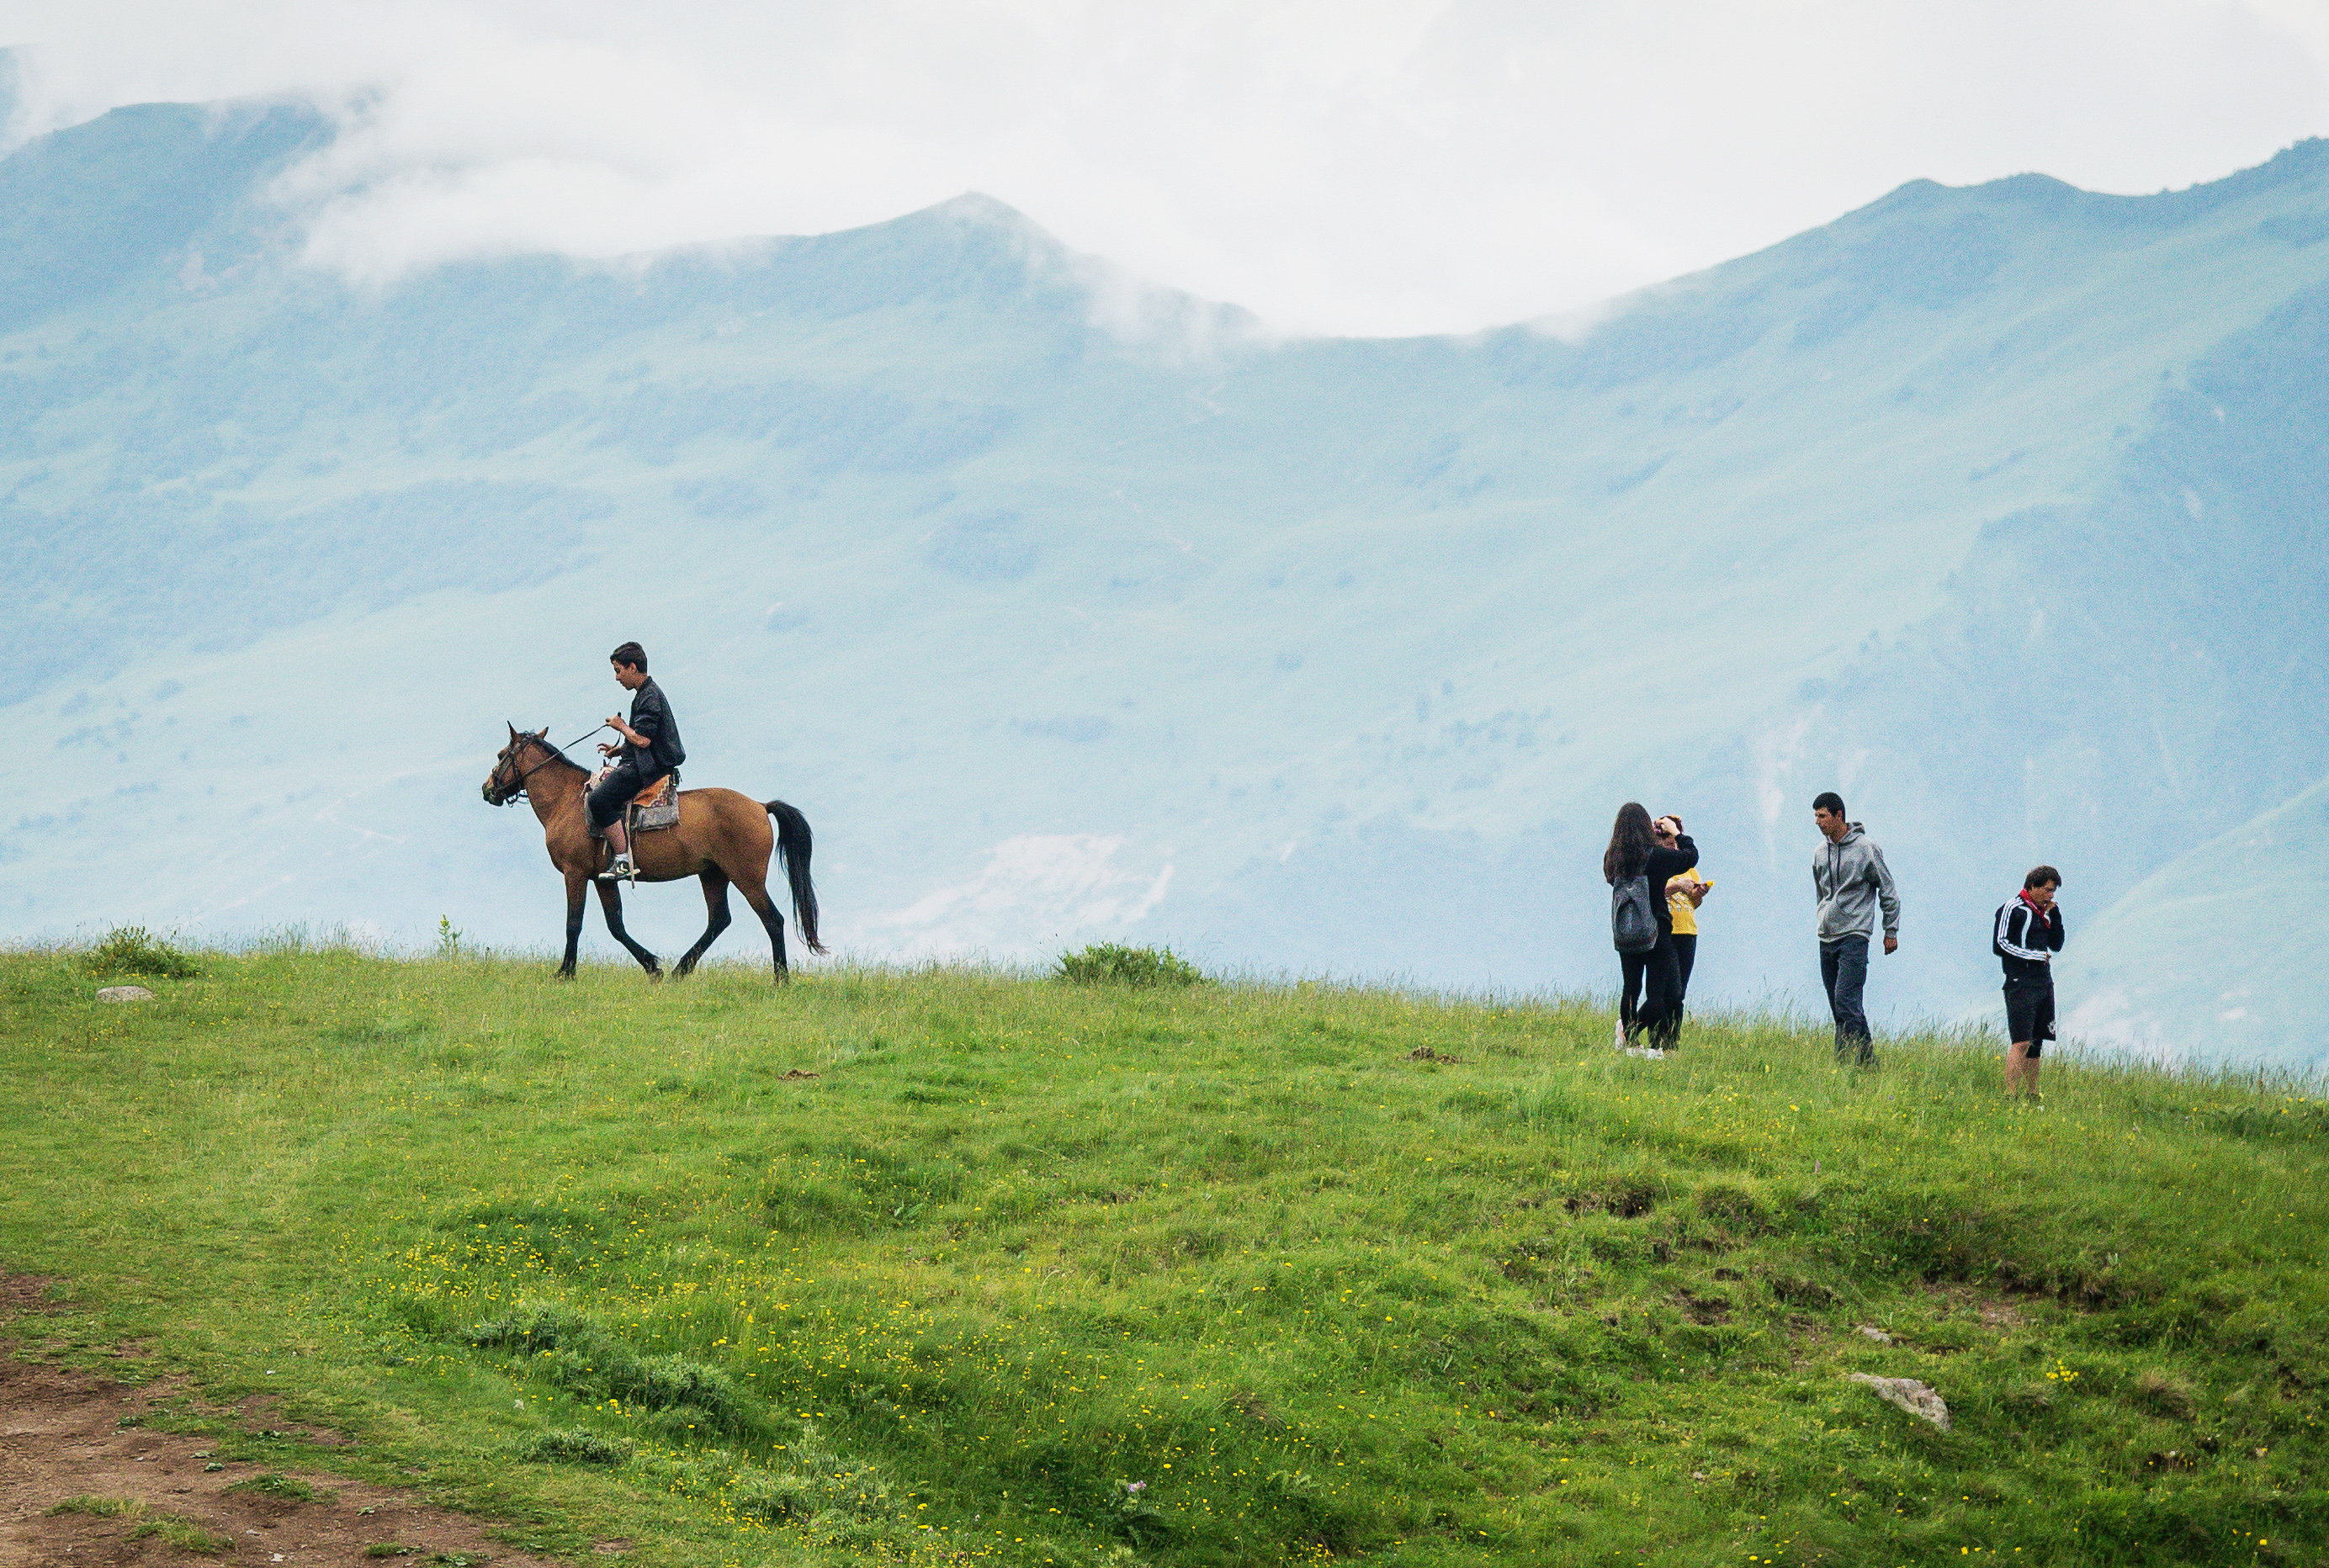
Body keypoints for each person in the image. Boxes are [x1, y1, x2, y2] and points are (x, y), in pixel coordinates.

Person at [1811, 792, 1898, 1066]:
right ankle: (1867, 1065)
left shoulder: (1866, 848)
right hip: (1827, 936)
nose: (1817, 822)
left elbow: (1888, 890)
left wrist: (1891, 930)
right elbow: (1821, 892)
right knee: (1841, 1008)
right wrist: (1822, 919)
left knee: (1846, 1001)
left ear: (1839, 816)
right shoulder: (1819, 852)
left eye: (1822, 816)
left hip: (1855, 934)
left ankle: (1848, 1066)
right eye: (1815, 816)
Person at [1604, 802, 1698, 1054]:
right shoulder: (1655, 857)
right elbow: (1690, 857)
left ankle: (1632, 1045)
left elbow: (1610, 878)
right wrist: (1675, 834)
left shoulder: (1614, 857)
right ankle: (1629, 1032)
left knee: (1631, 988)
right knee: (1658, 994)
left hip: (1626, 930)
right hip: (1656, 930)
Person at [589, 641, 685, 881]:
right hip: (640, 762)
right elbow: (640, 741)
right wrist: (618, 751)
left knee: (598, 800)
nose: (617, 678)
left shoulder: (649, 697)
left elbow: (643, 741)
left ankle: (622, 860)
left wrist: (621, 726)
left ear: (632, 667)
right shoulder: (644, 694)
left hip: (647, 770)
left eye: (618, 671)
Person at [1994, 866, 2065, 1102]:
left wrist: (2054, 916)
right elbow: (2000, 944)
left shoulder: (2045, 912)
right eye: (2047, 890)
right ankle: (2010, 1094)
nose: (2051, 895)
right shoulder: (2012, 909)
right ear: (2032, 887)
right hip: (2020, 982)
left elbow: (2056, 945)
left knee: (2037, 1041)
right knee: (2021, 1040)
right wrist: (2034, 957)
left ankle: (2033, 1093)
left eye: (2053, 891)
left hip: (2044, 982)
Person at [1661, 813, 1711, 1028]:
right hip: (1667, 933)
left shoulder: (1689, 867)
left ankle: (1672, 1040)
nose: (1673, 848)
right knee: (1667, 990)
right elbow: (1654, 893)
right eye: (1669, 843)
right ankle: (1656, 1035)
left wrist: (1698, 894)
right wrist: (1677, 886)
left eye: (1675, 844)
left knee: (1679, 991)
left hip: (1688, 932)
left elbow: (1694, 904)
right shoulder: (1659, 864)